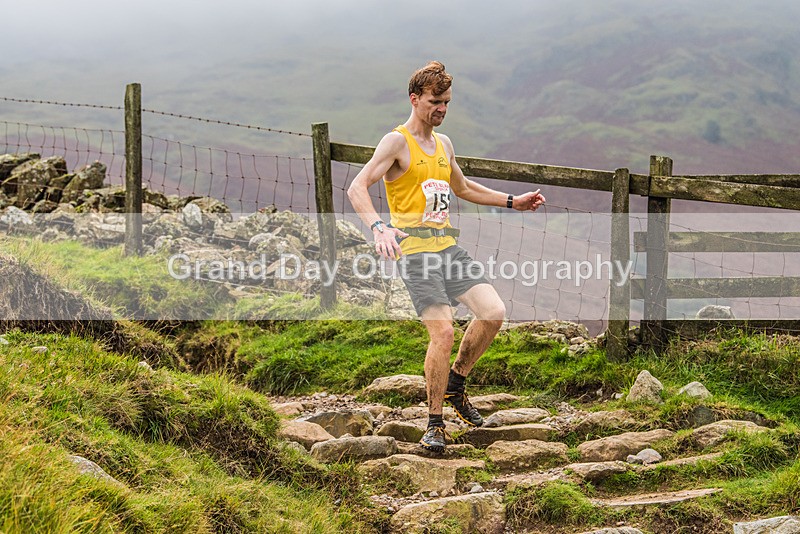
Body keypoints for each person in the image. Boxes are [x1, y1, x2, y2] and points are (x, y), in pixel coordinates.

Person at [347, 61, 545, 452]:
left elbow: (464, 187)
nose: (441, 109)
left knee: (493, 312)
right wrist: (378, 227)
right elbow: (357, 186)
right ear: (415, 99)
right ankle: (434, 423)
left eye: (447, 102)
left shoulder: (444, 144)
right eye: (435, 101)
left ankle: (456, 384)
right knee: (443, 332)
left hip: (447, 247)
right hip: (416, 252)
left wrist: (512, 201)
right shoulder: (396, 142)